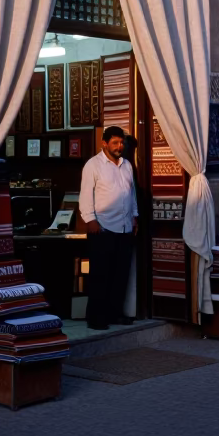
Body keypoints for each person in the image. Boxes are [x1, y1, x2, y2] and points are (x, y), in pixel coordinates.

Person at [78, 125, 138, 330]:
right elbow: (85, 195)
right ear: (104, 143)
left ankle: (114, 314)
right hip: (102, 228)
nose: (119, 146)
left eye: (121, 142)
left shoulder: (127, 165)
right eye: (115, 143)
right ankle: (96, 318)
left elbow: (131, 194)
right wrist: (90, 220)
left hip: (124, 228)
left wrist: (134, 217)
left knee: (119, 274)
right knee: (100, 275)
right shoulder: (93, 165)